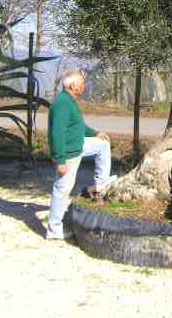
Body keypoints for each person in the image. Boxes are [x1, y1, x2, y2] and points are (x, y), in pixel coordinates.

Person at [46, 70, 116, 240]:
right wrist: (60, 160)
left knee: (103, 144)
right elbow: (57, 133)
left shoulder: (69, 101)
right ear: (73, 86)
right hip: (69, 153)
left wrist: (95, 133)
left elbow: (78, 126)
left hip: (78, 144)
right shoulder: (62, 104)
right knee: (62, 189)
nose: (84, 86)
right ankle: (54, 230)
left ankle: (101, 184)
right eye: (82, 84)